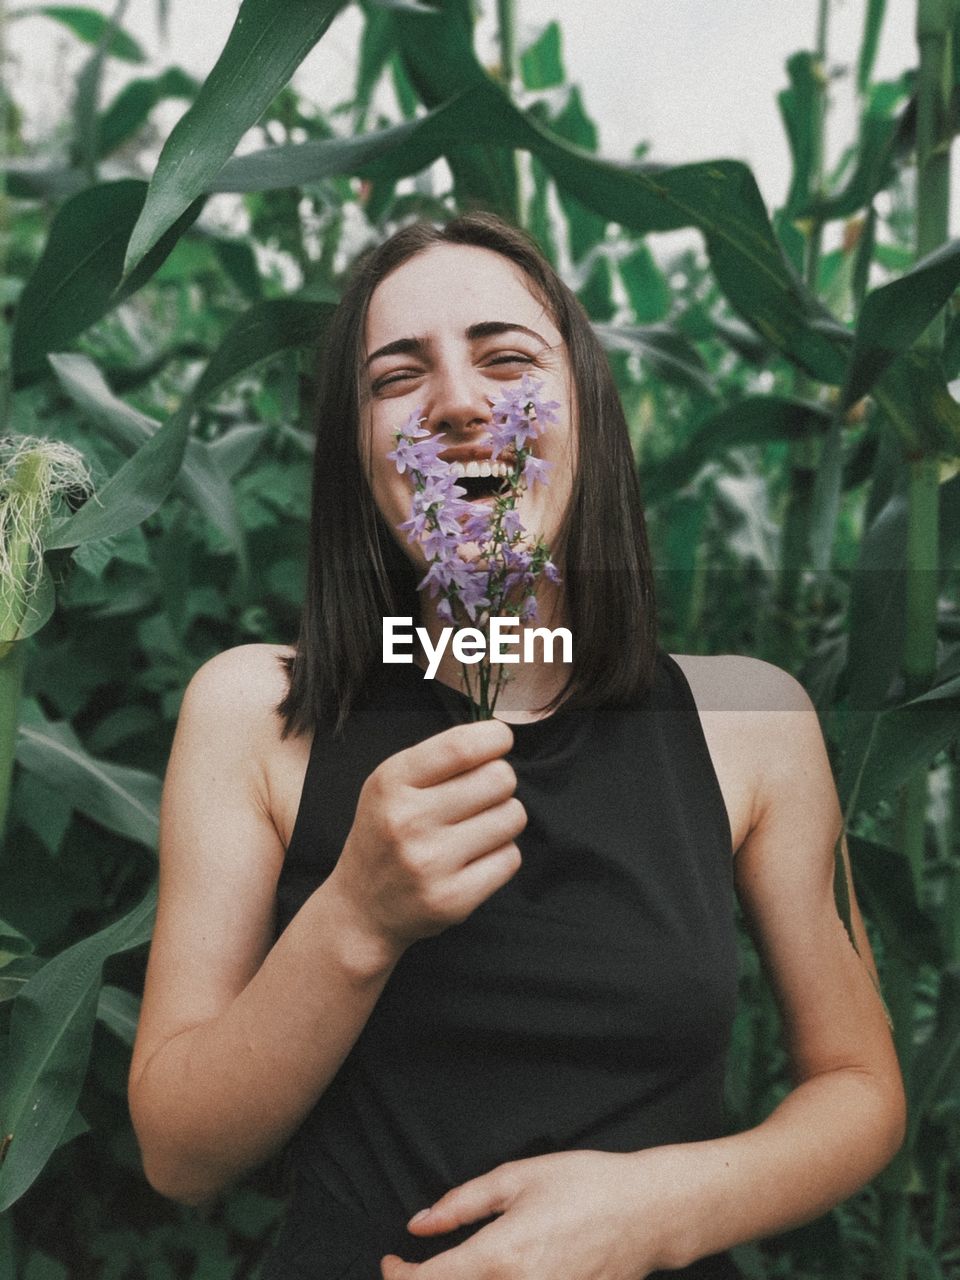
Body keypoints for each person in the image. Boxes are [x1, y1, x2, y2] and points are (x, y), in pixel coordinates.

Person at [127, 213, 906, 1280]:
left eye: (507, 359)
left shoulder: (752, 723)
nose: (457, 401)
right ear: (359, 456)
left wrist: (653, 1209)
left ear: (584, 410)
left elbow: (862, 1087)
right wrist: (356, 915)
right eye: (398, 377)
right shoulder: (257, 712)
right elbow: (179, 1153)